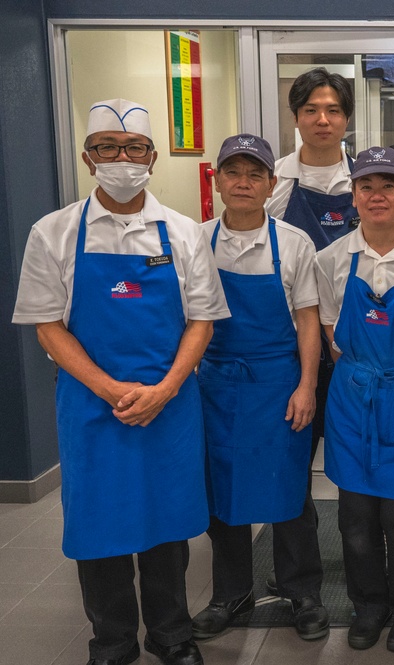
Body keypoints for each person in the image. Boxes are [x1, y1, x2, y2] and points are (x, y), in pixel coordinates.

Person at [12, 99, 230, 665]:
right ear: (88, 158)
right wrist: (111, 389)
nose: (122, 159)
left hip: (171, 404)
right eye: (107, 147)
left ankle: (171, 635)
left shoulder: (183, 233)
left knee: (167, 524)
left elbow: (201, 321)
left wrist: (163, 390)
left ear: (152, 157)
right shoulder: (53, 232)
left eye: (133, 148)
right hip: (91, 408)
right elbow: (47, 326)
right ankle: (111, 640)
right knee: (99, 524)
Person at [190, 134, 327, 641]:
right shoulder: (193, 239)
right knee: (219, 495)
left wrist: (307, 386)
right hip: (215, 383)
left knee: (287, 491)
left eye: (255, 174)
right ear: (218, 180)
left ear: (272, 183)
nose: (243, 183)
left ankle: (303, 593)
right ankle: (232, 594)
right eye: (233, 173)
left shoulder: (293, 242)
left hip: (277, 382)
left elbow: (308, 321)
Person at [315, 147, 394, 652]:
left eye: (389, 185)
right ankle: (369, 606)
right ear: (354, 196)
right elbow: (331, 329)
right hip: (352, 401)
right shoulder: (332, 259)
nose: (377, 195)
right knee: (356, 516)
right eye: (367, 186)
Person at [263, 67, 358, 602]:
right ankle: (296, 579)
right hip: (294, 347)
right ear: (296, 117)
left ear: (347, 118)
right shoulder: (272, 180)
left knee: (356, 466)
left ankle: (364, 561)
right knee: (293, 466)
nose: (323, 120)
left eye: (334, 111)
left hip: (355, 349)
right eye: (311, 111)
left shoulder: (366, 178)